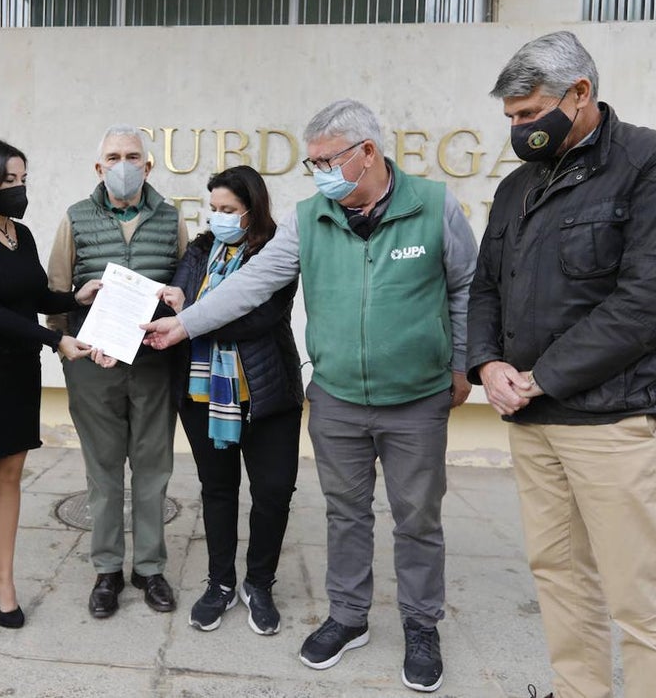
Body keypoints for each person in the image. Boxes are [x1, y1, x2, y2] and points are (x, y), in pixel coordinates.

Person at [143, 99, 477, 692]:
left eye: (327, 159)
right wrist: (185, 323)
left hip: (417, 399)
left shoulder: (433, 205)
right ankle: (348, 617)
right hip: (338, 397)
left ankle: (421, 624)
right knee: (345, 514)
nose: (317, 171)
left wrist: (461, 365)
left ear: (367, 153)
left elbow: (466, 286)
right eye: (312, 160)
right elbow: (252, 282)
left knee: (417, 518)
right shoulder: (308, 218)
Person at [467, 31, 656, 698]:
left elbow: (655, 296)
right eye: (510, 118)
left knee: (640, 595)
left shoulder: (655, 163)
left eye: (528, 113)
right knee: (560, 578)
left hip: (615, 419)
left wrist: (541, 376)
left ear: (579, 94)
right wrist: (487, 364)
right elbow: (486, 286)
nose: (519, 129)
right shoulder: (517, 188)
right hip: (533, 423)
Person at [0, 139, 102, 641]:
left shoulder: (22, 234)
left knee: (11, 474)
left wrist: (75, 296)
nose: (18, 188)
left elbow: (32, 297)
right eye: (9, 180)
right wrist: (56, 338)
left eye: (23, 179)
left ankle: (2, 578)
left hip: (19, 366)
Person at [46, 124, 187, 619]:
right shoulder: (76, 218)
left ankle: (149, 569)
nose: (122, 164)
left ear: (148, 166)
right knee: (102, 471)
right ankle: (106, 570)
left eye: (132, 156)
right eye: (113, 156)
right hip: (93, 367)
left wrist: (179, 306)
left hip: (153, 366)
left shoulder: (171, 219)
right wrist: (68, 352)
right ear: (98, 166)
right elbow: (58, 289)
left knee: (153, 470)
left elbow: (183, 284)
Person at [159, 165, 303, 636]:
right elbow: (179, 299)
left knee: (273, 492)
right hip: (202, 393)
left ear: (252, 210)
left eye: (229, 210)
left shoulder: (278, 251)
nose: (217, 217)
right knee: (218, 491)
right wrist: (175, 299)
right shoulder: (201, 248)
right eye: (213, 208)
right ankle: (220, 582)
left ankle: (258, 583)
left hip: (265, 393)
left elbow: (254, 319)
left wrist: (192, 316)